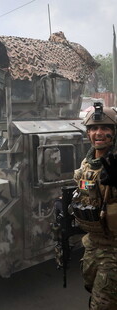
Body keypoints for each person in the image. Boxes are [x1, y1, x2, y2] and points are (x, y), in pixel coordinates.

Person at [72, 102, 117, 309]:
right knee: (90, 286)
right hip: (91, 243)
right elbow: (84, 191)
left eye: (105, 128)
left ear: (113, 133)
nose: (98, 133)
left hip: (113, 248)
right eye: (93, 129)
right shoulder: (87, 163)